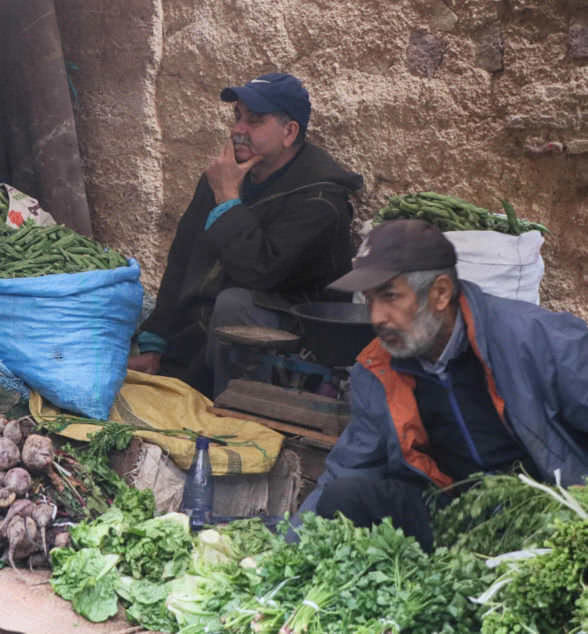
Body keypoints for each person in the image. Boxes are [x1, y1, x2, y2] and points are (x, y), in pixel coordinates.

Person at [298, 219, 588, 551]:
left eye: (390, 297)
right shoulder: (377, 368)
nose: (377, 316)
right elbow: (347, 467)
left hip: (551, 515)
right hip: (454, 518)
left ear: (440, 293)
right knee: (344, 495)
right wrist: (287, 549)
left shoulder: (536, 338)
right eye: (369, 299)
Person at [128, 73, 363, 397]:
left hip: (294, 340)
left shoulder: (320, 200)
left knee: (235, 303)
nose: (238, 129)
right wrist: (155, 340)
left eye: (254, 121)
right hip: (211, 335)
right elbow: (184, 258)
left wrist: (228, 198)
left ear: (289, 132)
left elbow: (258, 271)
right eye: (237, 117)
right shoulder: (224, 178)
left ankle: (239, 410)